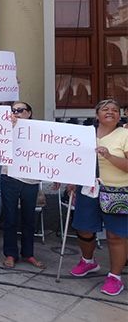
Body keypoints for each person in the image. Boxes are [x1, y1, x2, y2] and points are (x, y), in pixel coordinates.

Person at [69, 99, 128, 296]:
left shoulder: (125, 134)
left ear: (119, 116)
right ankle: (88, 262)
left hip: (117, 191)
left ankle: (114, 277)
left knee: (116, 236)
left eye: (115, 110)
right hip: (88, 189)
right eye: (105, 109)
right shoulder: (86, 134)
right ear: (97, 115)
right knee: (84, 228)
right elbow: (74, 160)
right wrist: (71, 180)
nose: (110, 112)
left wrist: (109, 156)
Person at [1, 101, 46, 269]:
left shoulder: (39, 130)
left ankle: (28, 253)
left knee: (29, 218)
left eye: (20, 110)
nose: (16, 112)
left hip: (31, 180)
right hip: (9, 177)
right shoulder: (4, 127)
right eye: (13, 110)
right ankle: (10, 254)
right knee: (10, 218)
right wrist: (10, 127)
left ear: (29, 112)